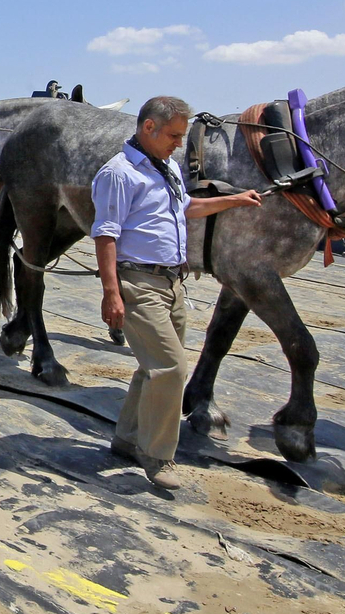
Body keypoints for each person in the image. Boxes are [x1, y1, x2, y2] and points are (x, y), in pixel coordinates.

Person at [92, 96, 262, 490]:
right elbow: (105, 235)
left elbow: (185, 207)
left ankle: (128, 438)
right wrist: (111, 292)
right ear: (148, 127)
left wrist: (234, 200)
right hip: (138, 283)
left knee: (153, 368)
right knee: (171, 368)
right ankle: (158, 455)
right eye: (173, 135)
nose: (178, 145)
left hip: (171, 284)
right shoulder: (119, 174)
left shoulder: (165, 167)